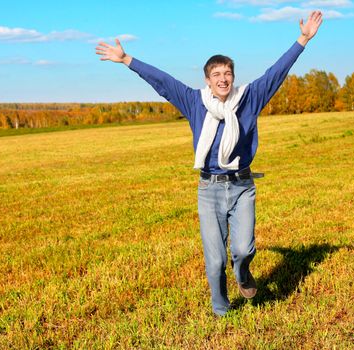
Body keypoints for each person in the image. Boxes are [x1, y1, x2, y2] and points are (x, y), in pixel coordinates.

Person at [96, 10, 323, 317]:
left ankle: (242, 274)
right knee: (214, 260)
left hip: (242, 186)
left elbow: (276, 72)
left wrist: (303, 39)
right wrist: (126, 59)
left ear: (233, 76)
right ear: (207, 80)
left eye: (227, 73)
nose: (223, 79)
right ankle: (222, 310)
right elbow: (162, 81)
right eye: (216, 74)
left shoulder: (249, 99)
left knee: (243, 250)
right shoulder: (194, 102)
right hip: (209, 189)